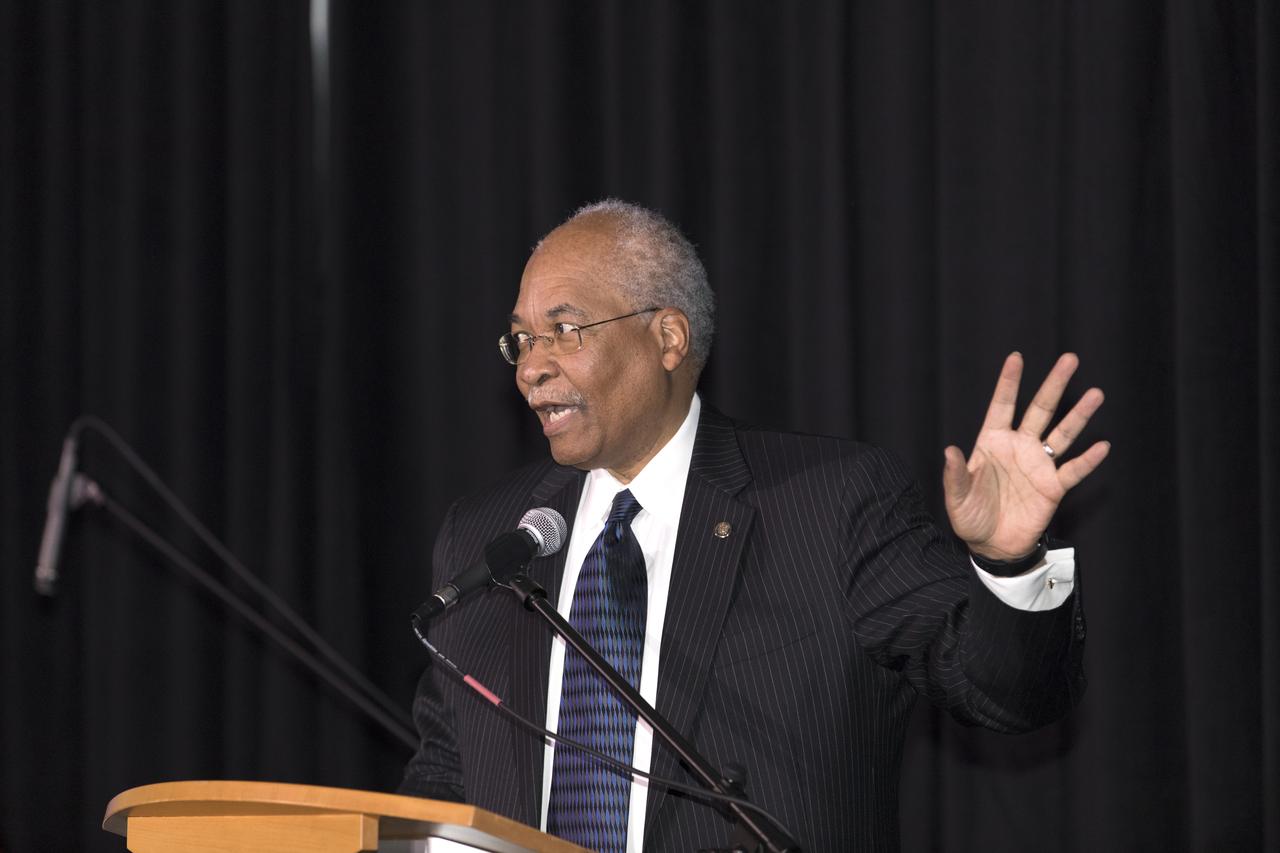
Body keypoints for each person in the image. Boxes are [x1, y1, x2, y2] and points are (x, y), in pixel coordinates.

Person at [399, 200, 1109, 852]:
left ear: (668, 336)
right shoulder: (488, 536)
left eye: (564, 329)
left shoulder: (829, 504)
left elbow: (1005, 692)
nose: (532, 367)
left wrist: (1009, 562)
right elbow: (446, 774)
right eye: (520, 340)